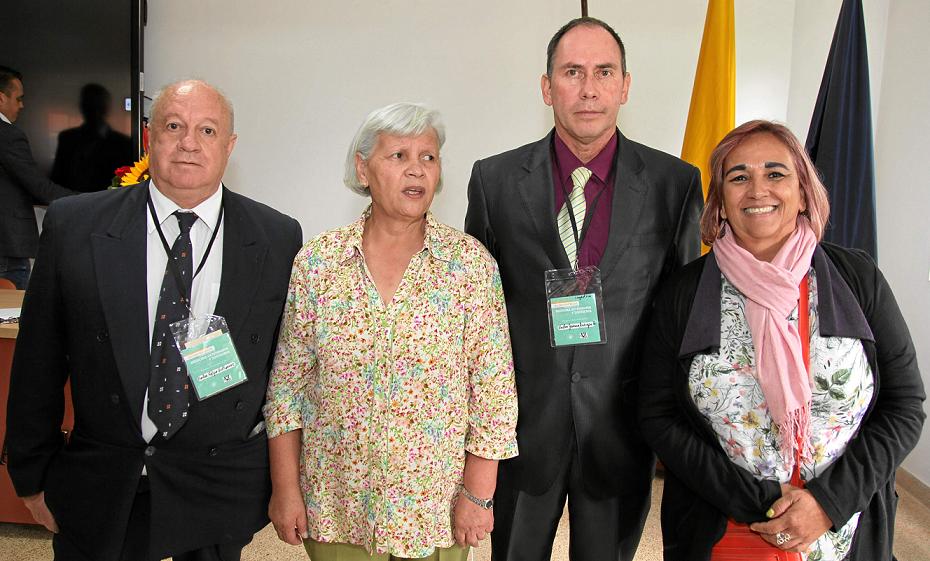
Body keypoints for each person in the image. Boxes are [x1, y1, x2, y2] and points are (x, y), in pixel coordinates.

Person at [6, 79, 303, 561]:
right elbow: (38, 360)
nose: (189, 142)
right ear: (149, 138)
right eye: (174, 126)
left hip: (216, 486)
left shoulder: (277, 237)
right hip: (103, 478)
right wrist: (31, 473)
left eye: (207, 130)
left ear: (229, 147)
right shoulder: (75, 225)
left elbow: (284, 373)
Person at [464, 16, 703, 561]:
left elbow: (680, 316)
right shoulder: (494, 181)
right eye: (572, 72)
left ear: (625, 85)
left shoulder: (675, 184)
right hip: (522, 429)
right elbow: (476, 313)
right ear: (547, 87)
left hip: (621, 431)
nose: (589, 88)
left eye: (603, 72)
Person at [638, 120, 925, 561]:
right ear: (720, 202)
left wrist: (826, 504)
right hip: (726, 524)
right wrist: (761, 500)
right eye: (739, 177)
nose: (758, 190)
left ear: (804, 191)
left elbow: (904, 405)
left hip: (843, 526)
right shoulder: (684, 292)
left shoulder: (857, 278)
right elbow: (657, 413)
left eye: (776, 173)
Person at [264, 102, 518, 561]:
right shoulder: (319, 264)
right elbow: (286, 390)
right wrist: (285, 490)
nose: (416, 170)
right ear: (363, 168)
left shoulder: (471, 267)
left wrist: (478, 497)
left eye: (428, 157)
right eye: (398, 156)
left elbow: (494, 396)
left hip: (434, 511)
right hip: (337, 504)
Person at [0, 65, 75, 289]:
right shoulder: (7, 134)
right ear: (1, 99)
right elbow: (39, 187)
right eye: (18, 98)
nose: (22, 105)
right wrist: (90, 202)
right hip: (7, 249)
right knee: (11, 321)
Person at [51, 83, 135, 192]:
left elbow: (127, 186)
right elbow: (57, 178)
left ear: (106, 108)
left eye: (98, 106)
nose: (95, 112)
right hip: (70, 203)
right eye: (90, 106)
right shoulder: (67, 138)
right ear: (82, 107)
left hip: (108, 204)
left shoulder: (124, 144)